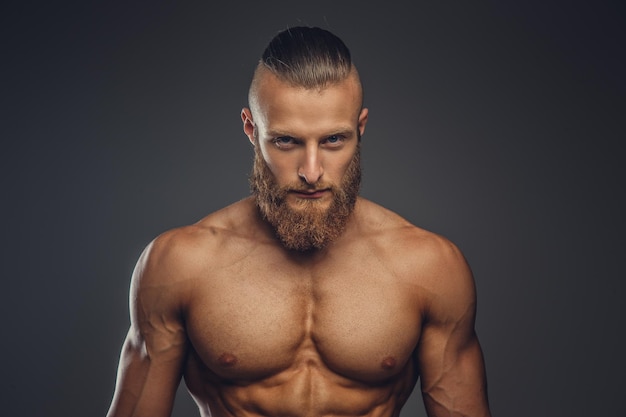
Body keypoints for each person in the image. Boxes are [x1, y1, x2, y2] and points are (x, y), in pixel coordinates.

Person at [106, 26, 492, 417]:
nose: (311, 171)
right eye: (286, 141)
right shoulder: (180, 264)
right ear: (251, 130)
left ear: (360, 129)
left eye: (333, 141)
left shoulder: (430, 268)